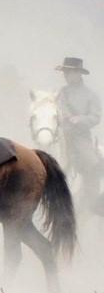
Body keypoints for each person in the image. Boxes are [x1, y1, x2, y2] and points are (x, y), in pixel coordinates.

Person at [56, 56, 101, 202]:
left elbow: (96, 117)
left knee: (92, 163)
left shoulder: (90, 95)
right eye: (65, 73)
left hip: (80, 137)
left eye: (69, 72)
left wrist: (79, 119)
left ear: (78, 73)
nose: (66, 76)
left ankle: (93, 201)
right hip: (61, 134)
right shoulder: (60, 93)